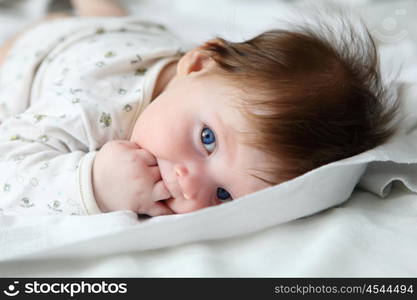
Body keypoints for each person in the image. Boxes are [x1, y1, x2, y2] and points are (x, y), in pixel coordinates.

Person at [0, 0, 399, 217]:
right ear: (196, 63)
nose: (188, 185)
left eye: (223, 194)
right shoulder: (86, 111)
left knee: (111, 16)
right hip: (39, 49)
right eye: (207, 139)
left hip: (130, 37)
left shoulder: (206, 87)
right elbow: (9, 162)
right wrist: (94, 185)